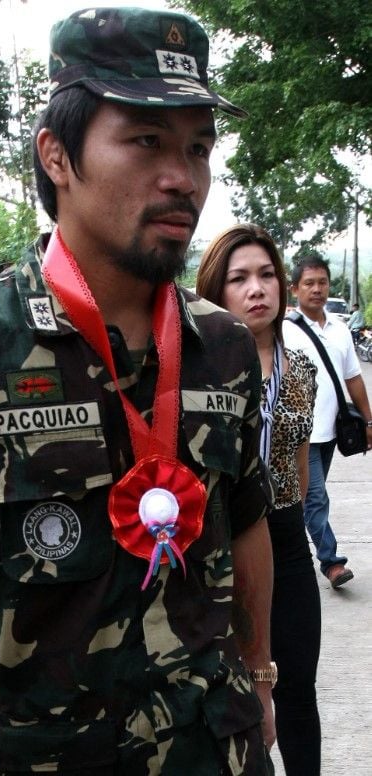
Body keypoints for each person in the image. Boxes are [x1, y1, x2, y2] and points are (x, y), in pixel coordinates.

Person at [0, 8, 277, 775]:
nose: (182, 177)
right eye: (147, 141)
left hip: (216, 745)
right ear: (56, 156)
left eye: (198, 148)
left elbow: (248, 519)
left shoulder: (223, 345)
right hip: (53, 754)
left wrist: (260, 675)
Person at [197, 224, 321, 775]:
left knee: (296, 686)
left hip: (286, 544)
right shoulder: (197, 371)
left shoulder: (302, 371)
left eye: (267, 275)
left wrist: (295, 527)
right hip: (215, 541)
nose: (257, 289)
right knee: (222, 688)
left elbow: (299, 462)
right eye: (239, 278)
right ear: (215, 290)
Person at [283, 256, 372, 588]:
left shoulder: (340, 330)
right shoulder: (283, 330)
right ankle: (331, 562)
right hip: (299, 434)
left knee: (305, 498)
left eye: (322, 282)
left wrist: (369, 421)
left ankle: (289, 551)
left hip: (331, 432)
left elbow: (353, 379)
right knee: (316, 497)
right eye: (309, 283)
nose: (317, 289)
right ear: (295, 289)